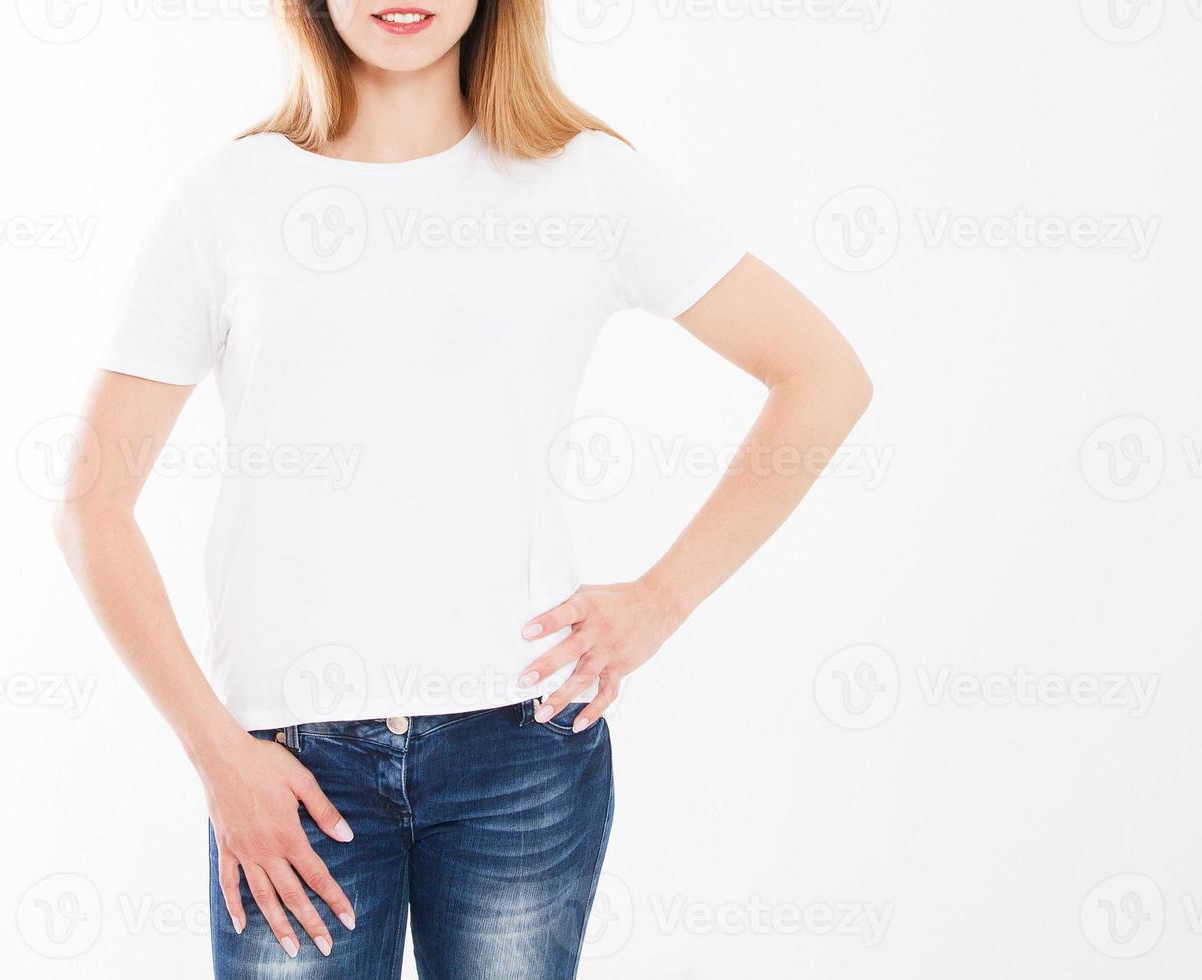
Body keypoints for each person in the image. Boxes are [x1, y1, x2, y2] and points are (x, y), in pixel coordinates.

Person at [54, 1, 872, 976]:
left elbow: (823, 378)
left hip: (520, 757)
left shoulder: (585, 181)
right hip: (290, 767)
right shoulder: (231, 195)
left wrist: (664, 596)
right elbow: (91, 505)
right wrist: (214, 750)